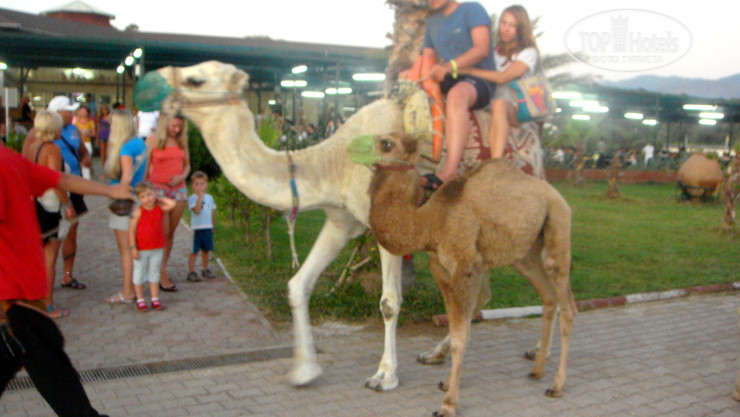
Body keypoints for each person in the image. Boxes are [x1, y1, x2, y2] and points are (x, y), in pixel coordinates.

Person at [0, 141, 130, 417]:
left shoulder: (6, 161)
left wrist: (109, 191)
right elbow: (60, 179)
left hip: (12, 304)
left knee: (65, 393)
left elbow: (59, 179)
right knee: (64, 390)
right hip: (21, 303)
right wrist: (109, 190)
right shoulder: (9, 159)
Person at [419, 0, 495, 190]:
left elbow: (482, 49)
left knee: (456, 95)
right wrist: (411, 76)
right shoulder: (432, 24)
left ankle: (449, 171)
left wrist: (449, 66)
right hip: (448, 78)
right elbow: (427, 59)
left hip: (478, 78)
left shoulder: (472, 9)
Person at [457, 5, 539, 162]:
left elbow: (503, 77)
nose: (505, 29)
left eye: (512, 25)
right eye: (503, 23)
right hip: (490, 102)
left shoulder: (528, 53)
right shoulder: (493, 51)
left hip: (517, 108)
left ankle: (496, 162)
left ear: (521, 29)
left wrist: (467, 70)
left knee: (499, 104)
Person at [20, 110, 77, 319]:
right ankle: (48, 304)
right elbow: (55, 180)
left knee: (37, 256)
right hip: (50, 204)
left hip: (34, 201)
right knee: (49, 259)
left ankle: (33, 299)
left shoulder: (33, 145)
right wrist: (68, 204)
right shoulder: (52, 149)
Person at [104, 109, 148, 304]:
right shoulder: (140, 143)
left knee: (126, 249)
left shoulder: (125, 148)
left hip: (125, 202)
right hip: (139, 198)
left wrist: (117, 192)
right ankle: (138, 287)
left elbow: (127, 177)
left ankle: (128, 291)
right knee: (135, 247)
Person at [49, 96, 92, 293]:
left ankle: (67, 275)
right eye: (68, 110)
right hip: (55, 188)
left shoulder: (73, 129)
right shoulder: (46, 132)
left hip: (75, 185)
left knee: (71, 233)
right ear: (57, 112)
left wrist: (86, 158)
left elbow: (83, 151)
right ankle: (46, 278)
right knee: (53, 236)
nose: (72, 113)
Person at [145, 112, 191, 292]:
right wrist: (142, 189)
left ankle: (161, 268)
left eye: (179, 126)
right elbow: (145, 166)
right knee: (162, 232)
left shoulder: (181, 141)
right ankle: (159, 273)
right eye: (173, 126)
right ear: (165, 124)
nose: (176, 129)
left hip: (178, 190)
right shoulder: (153, 140)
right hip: (158, 189)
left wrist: (181, 176)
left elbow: (187, 165)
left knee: (170, 232)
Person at [129, 181, 175, 312]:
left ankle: (155, 299)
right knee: (139, 273)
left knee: (154, 273)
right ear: (139, 199)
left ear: (155, 193)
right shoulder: (138, 211)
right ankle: (140, 300)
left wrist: (159, 199)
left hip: (157, 248)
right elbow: (131, 230)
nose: (147, 198)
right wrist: (133, 247)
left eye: (149, 194)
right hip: (141, 249)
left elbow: (172, 204)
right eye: (143, 196)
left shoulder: (159, 208)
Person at [186, 171, 217, 282]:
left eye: (202, 184)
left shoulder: (210, 198)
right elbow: (197, 210)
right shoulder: (192, 198)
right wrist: (199, 197)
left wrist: (212, 225)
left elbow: (212, 212)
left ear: (206, 185)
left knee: (206, 250)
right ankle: (191, 272)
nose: (199, 187)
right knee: (194, 251)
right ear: (192, 185)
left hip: (207, 227)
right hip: (197, 229)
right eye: (196, 184)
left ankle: (205, 269)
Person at [74, 106, 96, 179]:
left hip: (87, 143)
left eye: (84, 111)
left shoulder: (90, 122)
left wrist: (87, 134)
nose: (83, 113)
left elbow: (93, 134)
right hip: (78, 143)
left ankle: (87, 179)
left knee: (86, 162)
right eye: (81, 111)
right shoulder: (76, 122)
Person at [96, 104, 111, 169]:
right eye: (103, 110)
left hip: (109, 135)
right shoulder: (100, 118)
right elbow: (98, 127)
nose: (104, 111)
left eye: (105, 109)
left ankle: (107, 168)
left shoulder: (110, 117)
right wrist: (97, 138)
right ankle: (103, 168)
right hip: (102, 135)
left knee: (107, 154)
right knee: (103, 154)